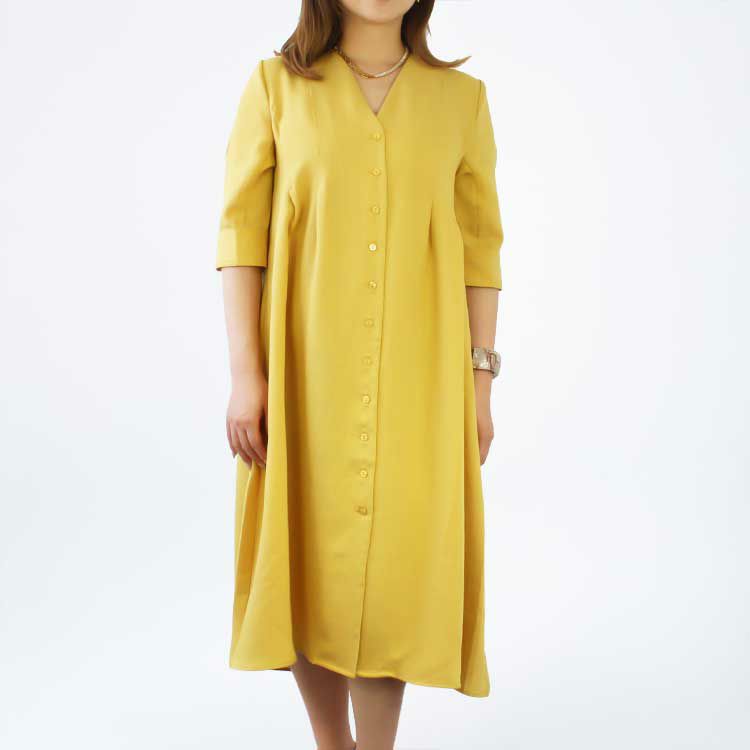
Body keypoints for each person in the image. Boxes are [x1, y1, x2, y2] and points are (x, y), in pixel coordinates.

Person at [216, 1, 504, 748]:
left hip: (422, 375)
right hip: (303, 368)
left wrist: (479, 386)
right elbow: (240, 236)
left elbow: (481, 253)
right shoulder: (276, 87)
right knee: (308, 556)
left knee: (395, 567)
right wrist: (247, 376)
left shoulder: (462, 102)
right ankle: (330, 742)